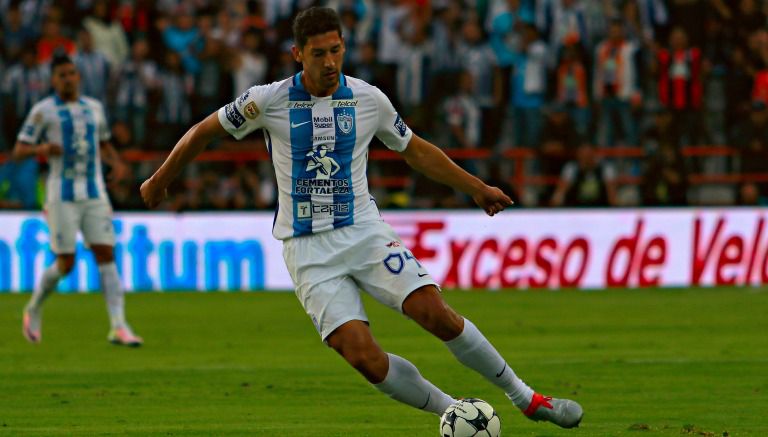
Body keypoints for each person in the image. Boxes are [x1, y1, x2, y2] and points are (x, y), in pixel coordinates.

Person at [140, 7, 582, 428]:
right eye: (319, 53)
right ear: (298, 54)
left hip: (364, 232)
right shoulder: (267, 101)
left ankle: (527, 399)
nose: (330, 62)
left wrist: (478, 189)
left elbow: (417, 152)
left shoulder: (368, 99)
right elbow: (203, 132)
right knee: (364, 357)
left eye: (336, 50)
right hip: (307, 249)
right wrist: (161, 179)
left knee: (435, 314)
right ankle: (458, 413)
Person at [15, 54, 142, 347]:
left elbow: (104, 142)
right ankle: (33, 308)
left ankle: (119, 326)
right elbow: (19, 149)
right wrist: (44, 148)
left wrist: (117, 163)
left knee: (106, 253)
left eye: (72, 73)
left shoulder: (93, 108)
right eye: (62, 75)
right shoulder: (42, 111)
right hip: (62, 194)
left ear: (79, 77)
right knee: (66, 262)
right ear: (53, 80)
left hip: (95, 192)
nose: (68, 79)